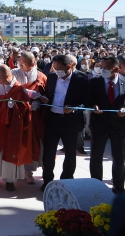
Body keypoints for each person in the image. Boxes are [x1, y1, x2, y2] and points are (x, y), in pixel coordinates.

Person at [39, 55, 92, 191]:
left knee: (70, 153)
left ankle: (67, 181)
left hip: (70, 122)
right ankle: (47, 181)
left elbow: (87, 102)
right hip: (53, 120)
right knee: (49, 152)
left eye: (59, 69)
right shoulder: (51, 77)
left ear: (69, 67)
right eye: (55, 68)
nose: (57, 71)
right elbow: (48, 94)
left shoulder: (81, 79)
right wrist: (44, 99)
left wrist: (74, 108)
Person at [89, 56, 125, 194]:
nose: (103, 70)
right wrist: (94, 105)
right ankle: (96, 187)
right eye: (102, 67)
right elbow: (87, 99)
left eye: (106, 68)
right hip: (99, 124)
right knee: (96, 156)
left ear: (116, 69)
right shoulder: (94, 82)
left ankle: (118, 187)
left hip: (119, 125)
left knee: (119, 158)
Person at [12, 51, 48, 185]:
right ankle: (16, 170)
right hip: (18, 114)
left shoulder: (41, 77)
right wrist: (31, 95)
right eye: (19, 62)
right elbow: (13, 89)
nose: (20, 65)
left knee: (33, 143)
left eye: (23, 63)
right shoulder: (14, 73)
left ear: (33, 64)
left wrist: (40, 100)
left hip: (35, 116)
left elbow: (46, 94)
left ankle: (29, 171)